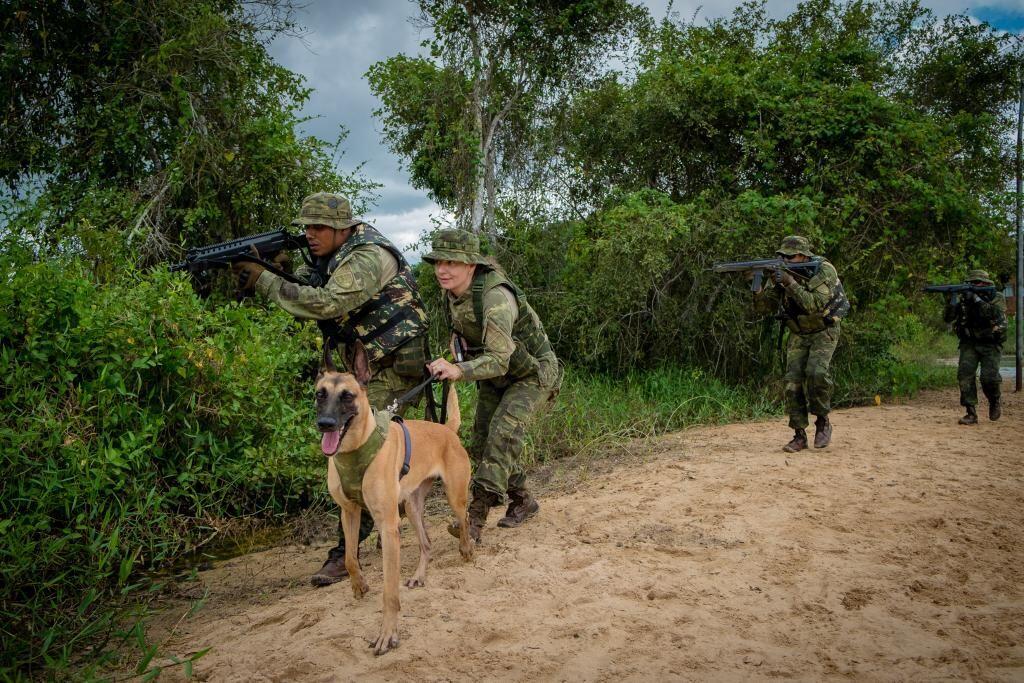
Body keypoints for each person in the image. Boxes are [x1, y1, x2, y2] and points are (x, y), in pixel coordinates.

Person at [233, 192, 430, 585]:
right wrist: (280, 272)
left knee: (366, 449)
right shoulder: (331, 256)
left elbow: (325, 304)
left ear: (343, 228)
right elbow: (315, 290)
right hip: (367, 363)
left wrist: (267, 281)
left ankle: (344, 555)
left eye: (319, 227)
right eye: (306, 226)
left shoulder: (368, 255)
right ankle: (375, 526)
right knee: (354, 450)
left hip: (394, 364)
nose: (310, 234)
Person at [422, 229, 561, 543]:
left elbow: (499, 358)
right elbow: (468, 334)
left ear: (471, 265)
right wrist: (457, 346)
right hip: (496, 374)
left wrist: (458, 369)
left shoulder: (495, 296)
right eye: (438, 262)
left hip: (532, 373)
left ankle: (473, 520)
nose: (442, 269)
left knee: (502, 435)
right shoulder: (452, 293)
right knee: (483, 440)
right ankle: (523, 500)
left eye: (452, 262)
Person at [752, 236, 845, 453]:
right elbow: (766, 308)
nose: (785, 259)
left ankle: (822, 421)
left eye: (790, 256)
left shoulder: (824, 270)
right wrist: (756, 286)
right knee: (792, 381)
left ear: (804, 255)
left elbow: (814, 305)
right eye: (782, 256)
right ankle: (799, 435)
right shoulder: (782, 273)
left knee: (816, 372)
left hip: (824, 328)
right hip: (799, 330)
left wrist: (789, 282)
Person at [944, 269, 1007, 424]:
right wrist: (951, 300)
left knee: (989, 378)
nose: (972, 285)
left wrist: (977, 299)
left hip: (990, 343)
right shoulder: (965, 300)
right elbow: (948, 318)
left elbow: (994, 314)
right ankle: (971, 412)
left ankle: (994, 401)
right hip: (969, 343)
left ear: (985, 284)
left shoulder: (996, 297)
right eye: (971, 283)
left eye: (976, 283)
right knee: (965, 375)